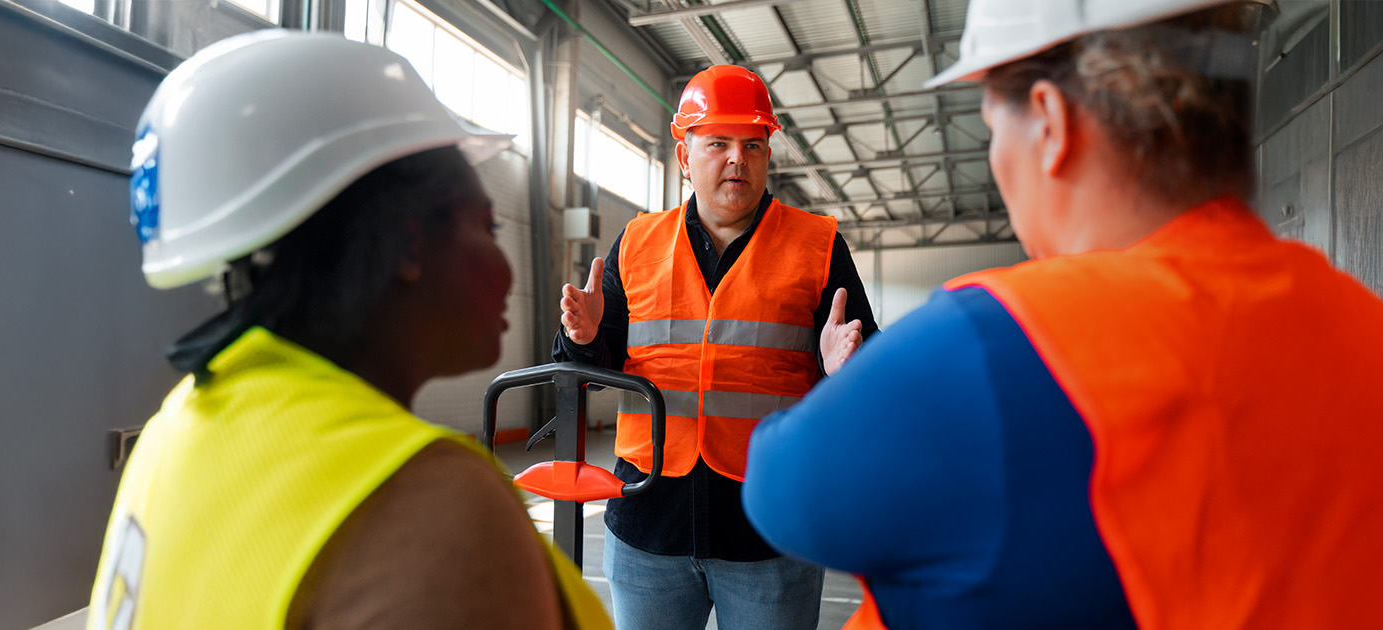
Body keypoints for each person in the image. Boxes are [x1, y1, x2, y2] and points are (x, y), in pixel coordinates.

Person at [742, 1, 1383, 629]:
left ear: (1050, 121)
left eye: (993, 129)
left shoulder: (1000, 347)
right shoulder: (1381, 342)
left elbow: (781, 487)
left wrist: (842, 380)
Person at [88, 31, 609, 630]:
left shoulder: (174, 430)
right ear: (410, 242)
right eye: (486, 227)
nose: (506, 268)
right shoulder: (431, 508)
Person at [553, 64, 878, 630]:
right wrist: (581, 338)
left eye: (753, 144)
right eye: (718, 143)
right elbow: (593, 360)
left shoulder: (817, 244)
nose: (737, 158)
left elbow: (866, 374)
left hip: (770, 532)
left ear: (768, 155)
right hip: (648, 525)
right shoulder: (637, 243)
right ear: (684, 156)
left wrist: (840, 372)